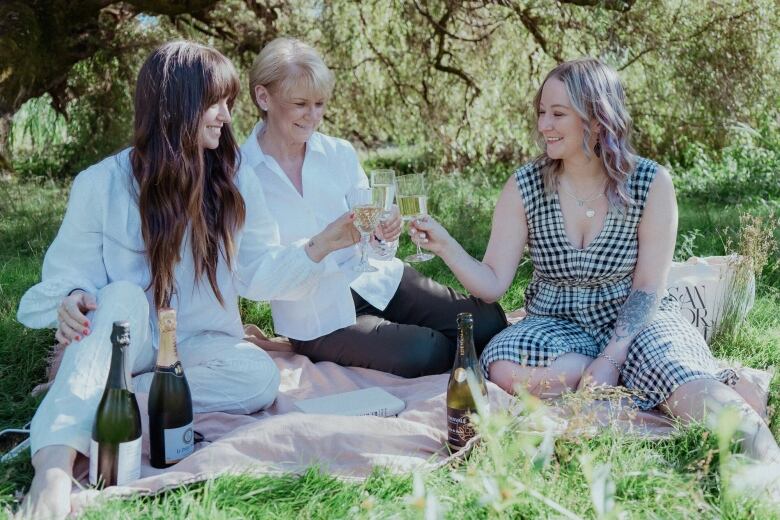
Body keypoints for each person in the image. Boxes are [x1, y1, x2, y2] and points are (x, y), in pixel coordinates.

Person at [16, 41, 359, 519]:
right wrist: (71, 299)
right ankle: (52, 469)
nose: (224, 115)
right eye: (213, 103)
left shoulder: (234, 181)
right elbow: (57, 285)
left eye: (228, 103)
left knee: (260, 378)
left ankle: (94, 392)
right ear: (173, 105)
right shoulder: (102, 184)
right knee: (116, 297)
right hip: (128, 338)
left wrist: (322, 244)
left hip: (196, 348)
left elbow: (259, 274)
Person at [410, 58, 780, 468]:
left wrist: (612, 356)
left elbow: (648, 288)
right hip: (556, 321)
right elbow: (494, 282)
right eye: (541, 113)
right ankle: (631, 378)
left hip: (636, 319)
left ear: (597, 118)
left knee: (683, 377)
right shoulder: (525, 185)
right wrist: (446, 246)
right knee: (501, 366)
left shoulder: (650, 183)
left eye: (557, 114)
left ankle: (759, 452)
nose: (543, 125)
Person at [239, 37, 508, 378]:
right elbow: (252, 277)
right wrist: (321, 244)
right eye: (300, 104)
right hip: (317, 315)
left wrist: (385, 233)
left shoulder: (339, 154)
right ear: (264, 97)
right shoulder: (241, 174)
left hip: (378, 281)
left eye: (320, 104)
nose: (313, 116)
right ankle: (424, 346)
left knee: (487, 322)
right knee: (426, 350)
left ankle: (427, 341)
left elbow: (376, 244)